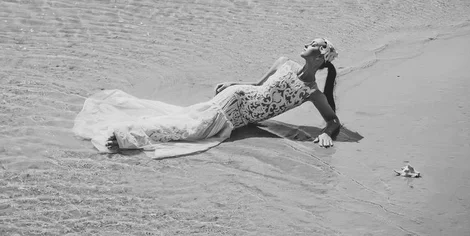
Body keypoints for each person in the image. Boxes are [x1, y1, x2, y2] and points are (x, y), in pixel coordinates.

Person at [73, 38, 340, 159]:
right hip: (233, 101)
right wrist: (233, 84)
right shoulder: (283, 63)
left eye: (315, 44)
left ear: (319, 58)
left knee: (188, 126)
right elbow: (257, 85)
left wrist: (328, 132)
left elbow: (332, 120)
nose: (308, 44)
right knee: (189, 128)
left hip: (236, 116)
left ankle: (128, 132)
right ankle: (124, 135)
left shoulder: (312, 93)